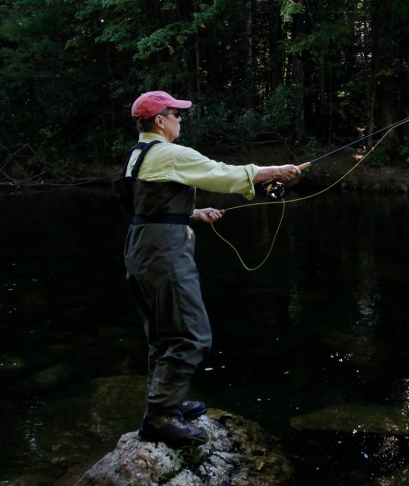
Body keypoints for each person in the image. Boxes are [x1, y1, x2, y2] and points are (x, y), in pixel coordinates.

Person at [120, 90, 301, 448]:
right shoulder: (170, 153)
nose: (180, 119)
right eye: (176, 113)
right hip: (163, 252)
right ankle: (159, 417)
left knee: (162, 333)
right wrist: (273, 171)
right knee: (190, 333)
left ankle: (166, 403)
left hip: (141, 245)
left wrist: (191, 214)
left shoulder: (137, 155)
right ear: (160, 120)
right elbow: (220, 174)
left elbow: (145, 203)